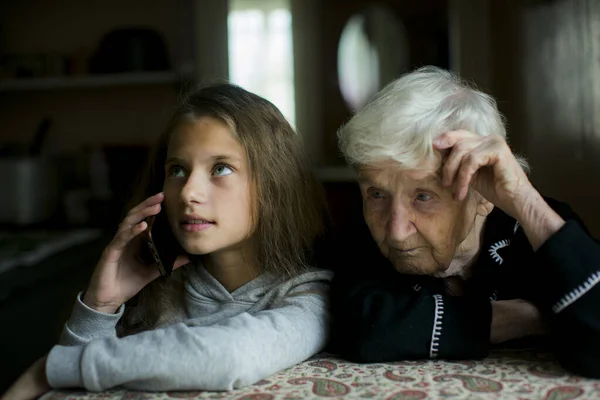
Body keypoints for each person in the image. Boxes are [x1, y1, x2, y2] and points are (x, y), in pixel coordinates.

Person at [4, 84, 333, 398]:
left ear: (273, 187)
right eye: (177, 170)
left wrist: (46, 369)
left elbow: (232, 356)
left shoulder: (308, 296)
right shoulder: (158, 291)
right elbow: (72, 392)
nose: (189, 192)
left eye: (221, 168)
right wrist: (100, 304)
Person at [329, 66, 600, 378]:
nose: (396, 232)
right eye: (377, 193)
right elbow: (361, 328)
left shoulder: (540, 228)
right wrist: (523, 318)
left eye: (423, 197)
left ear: (483, 196)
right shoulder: (359, 240)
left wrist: (524, 199)